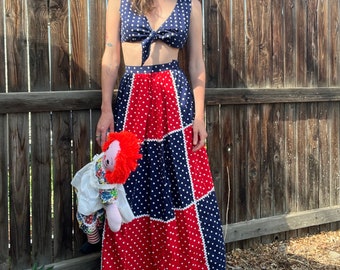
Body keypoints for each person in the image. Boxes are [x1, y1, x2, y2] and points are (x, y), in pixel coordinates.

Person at [95, 0, 227, 268]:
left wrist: (199, 116)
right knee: (129, 184)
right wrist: (106, 107)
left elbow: (197, 64)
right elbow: (111, 56)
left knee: (183, 183)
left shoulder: (190, 5)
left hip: (175, 106)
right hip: (132, 102)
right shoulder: (119, 3)